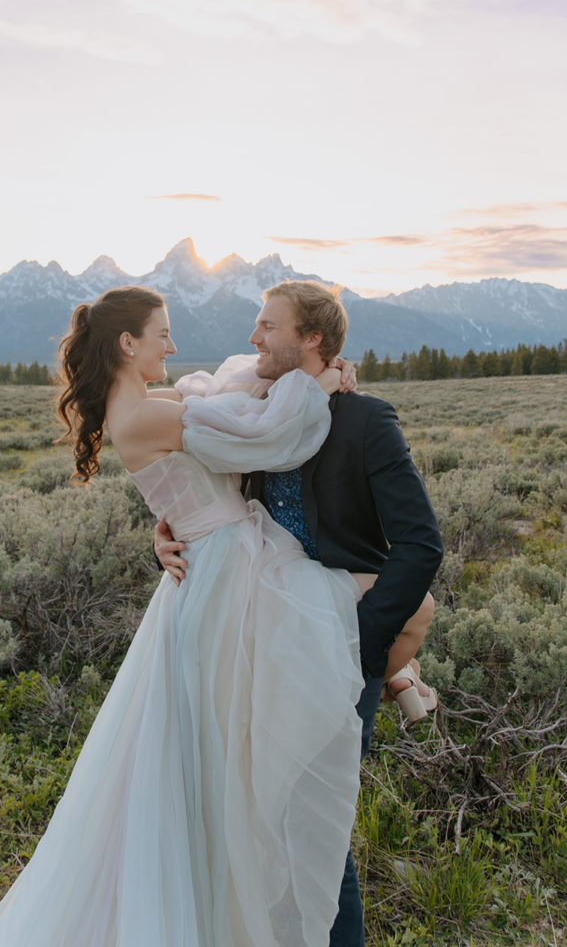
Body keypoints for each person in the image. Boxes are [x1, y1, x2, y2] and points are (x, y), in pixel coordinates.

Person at [0, 285, 374, 947]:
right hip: (222, 576)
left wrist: (306, 375)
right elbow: (261, 433)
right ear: (129, 344)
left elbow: (225, 395)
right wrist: (317, 383)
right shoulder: (145, 418)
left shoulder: (149, 407)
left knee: (224, 751)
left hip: (221, 563)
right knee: (237, 748)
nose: (174, 347)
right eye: (163, 335)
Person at [155, 280, 444, 947]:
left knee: (313, 821)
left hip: (336, 644)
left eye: (267, 326)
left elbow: (421, 543)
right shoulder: (255, 411)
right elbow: (217, 512)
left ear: (311, 339)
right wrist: (168, 533)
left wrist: (362, 648)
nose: (253, 338)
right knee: (258, 813)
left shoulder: (365, 420)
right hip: (258, 639)